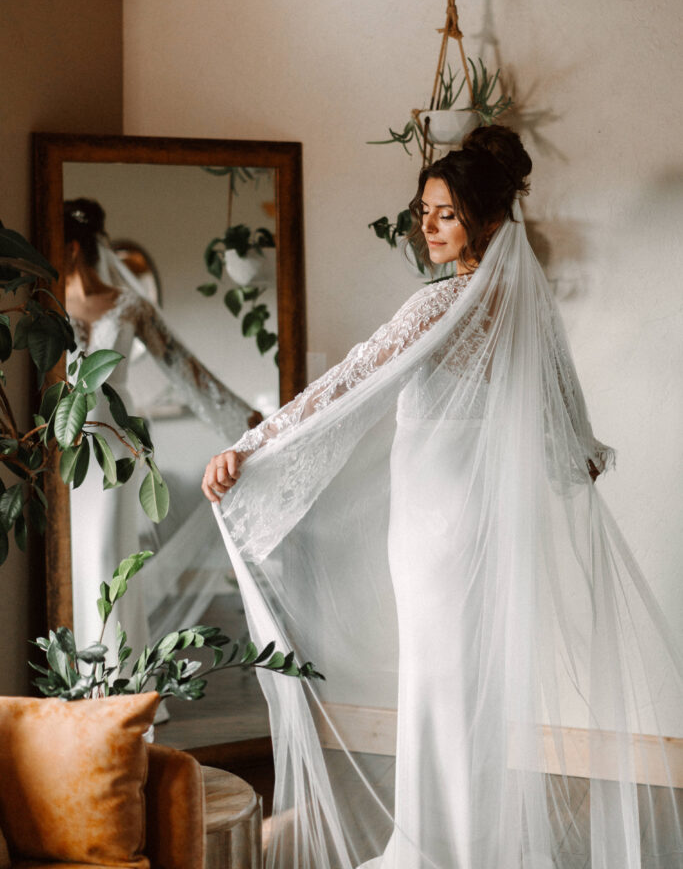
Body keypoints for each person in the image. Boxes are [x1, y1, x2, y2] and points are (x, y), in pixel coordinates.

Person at [203, 127, 682, 868]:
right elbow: (573, 442)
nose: (424, 226)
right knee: (475, 689)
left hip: (433, 533)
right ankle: (473, 841)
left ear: (487, 222)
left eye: (444, 214)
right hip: (491, 527)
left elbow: (348, 380)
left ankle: (436, 848)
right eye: (422, 210)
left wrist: (253, 448)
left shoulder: (436, 307)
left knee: (438, 683)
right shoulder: (531, 311)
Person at [64, 198, 259, 664]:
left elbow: (183, 368)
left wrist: (251, 422)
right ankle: (71, 679)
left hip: (116, 437)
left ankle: (116, 679)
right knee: (70, 555)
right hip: (63, 441)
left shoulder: (129, 306)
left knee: (107, 551)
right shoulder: (41, 304)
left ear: (72, 248)